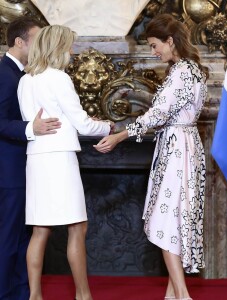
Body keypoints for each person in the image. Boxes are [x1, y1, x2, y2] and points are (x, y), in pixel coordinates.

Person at [94, 13, 208, 300]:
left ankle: (182, 295)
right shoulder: (192, 69)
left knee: (166, 220)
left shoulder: (182, 70)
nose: (154, 51)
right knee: (175, 218)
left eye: (156, 45)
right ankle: (172, 295)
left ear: (171, 41)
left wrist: (119, 136)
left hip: (176, 147)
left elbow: (157, 115)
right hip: (185, 145)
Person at [17, 25, 114, 300]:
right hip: (59, 159)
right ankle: (83, 295)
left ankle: (34, 296)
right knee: (77, 227)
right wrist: (108, 127)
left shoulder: (26, 79)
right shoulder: (59, 78)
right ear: (58, 47)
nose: (72, 52)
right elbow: (82, 123)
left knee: (39, 230)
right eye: (70, 46)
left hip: (35, 158)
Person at [0, 17, 62, 300]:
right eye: (37, 40)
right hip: (8, 172)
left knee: (19, 238)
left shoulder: (25, 75)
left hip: (21, 170)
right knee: (8, 240)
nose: (41, 47)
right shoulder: (4, 74)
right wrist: (30, 128)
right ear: (19, 42)